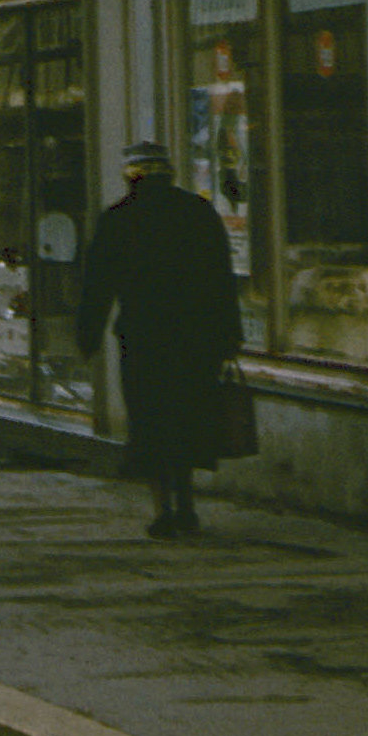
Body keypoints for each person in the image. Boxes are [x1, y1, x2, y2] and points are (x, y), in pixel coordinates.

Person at [78, 140, 243, 536]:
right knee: (185, 419)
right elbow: (222, 279)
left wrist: (88, 334)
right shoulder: (198, 213)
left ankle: (162, 508)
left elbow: (97, 284)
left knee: (150, 421)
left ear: (131, 177)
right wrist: (229, 337)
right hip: (194, 339)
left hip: (143, 338)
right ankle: (186, 505)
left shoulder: (118, 219)